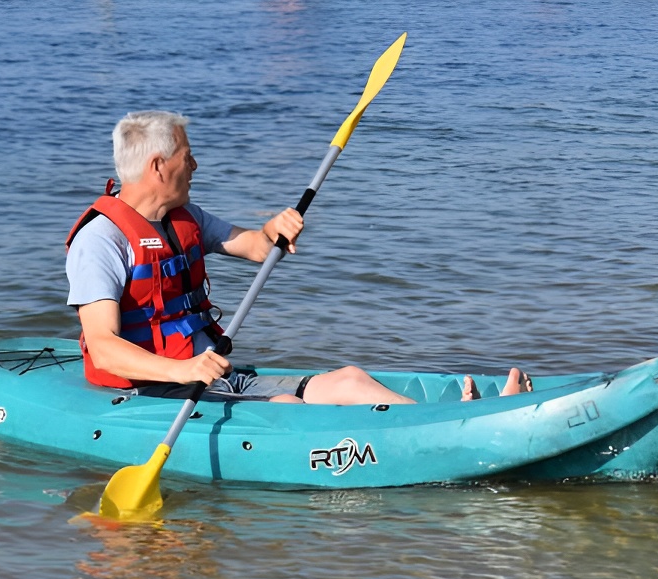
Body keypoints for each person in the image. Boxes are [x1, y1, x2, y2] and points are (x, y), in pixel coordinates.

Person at [66, 110, 531, 404]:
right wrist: (184, 368)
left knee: (349, 379)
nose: (196, 165)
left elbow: (255, 247)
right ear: (158, 166)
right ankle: (461, 430)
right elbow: (105, 348)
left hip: (206, 375)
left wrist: (273, 230)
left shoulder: (183, 217)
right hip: (157, 388)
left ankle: (457, 417)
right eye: (188, 156)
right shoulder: (102, 239)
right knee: (287, 407)